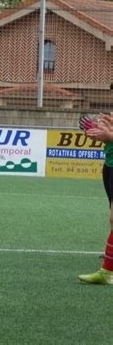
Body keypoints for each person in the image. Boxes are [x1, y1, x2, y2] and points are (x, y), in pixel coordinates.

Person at [79, 113, 113, 285]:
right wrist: (101, 134)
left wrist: (109, 135)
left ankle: (107, 271)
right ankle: (110, 261)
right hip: (110, 164)